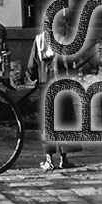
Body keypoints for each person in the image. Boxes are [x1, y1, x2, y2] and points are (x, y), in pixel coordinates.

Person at [25, 15, 81, 170]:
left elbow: (32, 65)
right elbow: (71, 65)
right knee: (64, 122)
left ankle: (49, 159)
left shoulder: (39, 40)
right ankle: (64, 159)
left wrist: (32, 78)